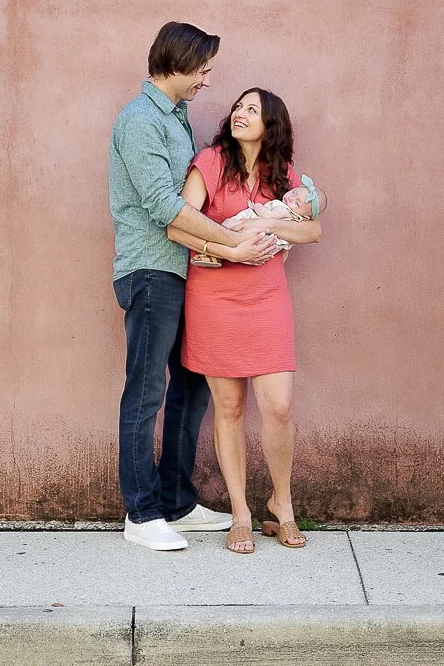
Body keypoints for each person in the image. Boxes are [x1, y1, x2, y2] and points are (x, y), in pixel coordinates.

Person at [110, 22, 278, 552]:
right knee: (147, 390)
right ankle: (141, 513)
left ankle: (177, 501)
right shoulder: (140, 121)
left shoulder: (175, 120)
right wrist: (231, 242)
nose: (206, 81)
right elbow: (164, 205)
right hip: (150, 272)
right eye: (202, 70)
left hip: (185, 273)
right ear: (177, 64)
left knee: (190, 389)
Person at [164, 88, 324, 554]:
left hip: (268, 299)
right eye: (238, 107)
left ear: (271, 124)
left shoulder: (284, 176)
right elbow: (179, 224)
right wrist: (225, 247)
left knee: (278, 407)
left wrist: (267, 226)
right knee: (229, 408)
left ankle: (282, 505)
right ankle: (241, 513)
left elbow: (313, 229)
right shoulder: (211, 162)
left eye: (251, 110)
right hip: (214, 299)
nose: (240, 113)